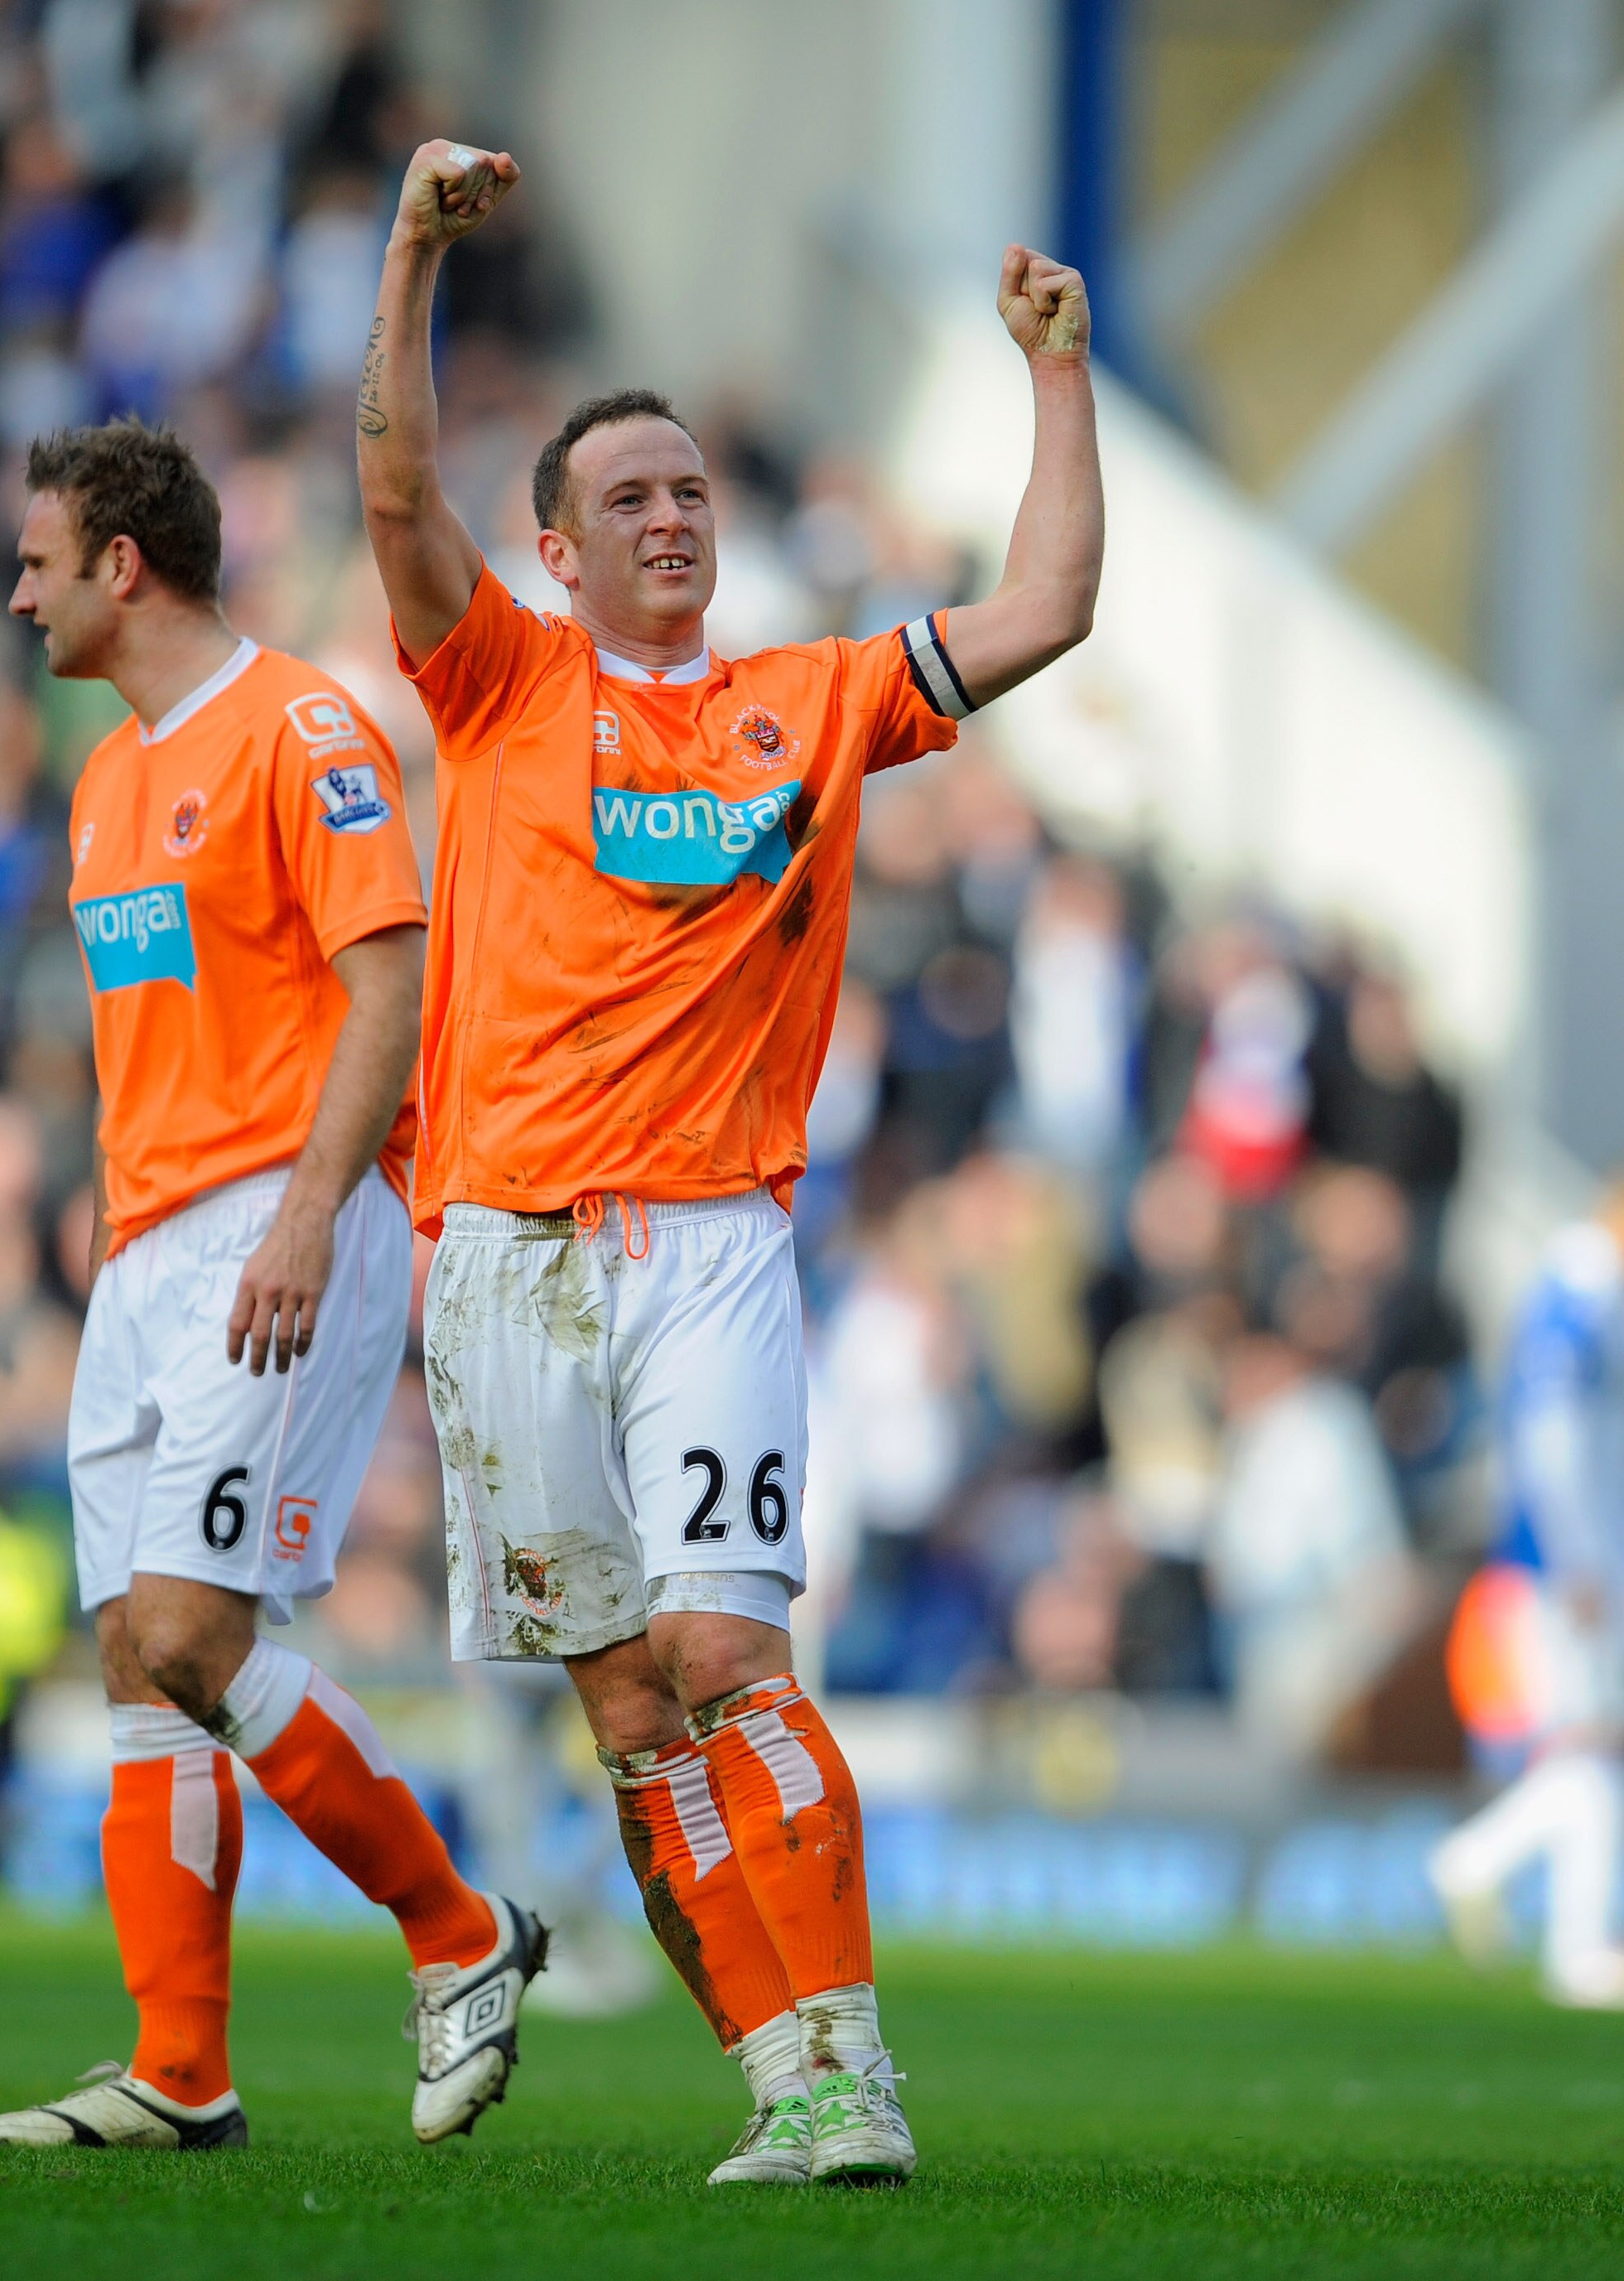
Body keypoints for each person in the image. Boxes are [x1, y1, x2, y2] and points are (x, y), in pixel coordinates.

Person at [357, 141, 1102, 2185]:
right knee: (619, 1711)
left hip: (708, 1245)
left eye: (690, 489)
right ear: (559, 551)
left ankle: (855, 2070)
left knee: (722, 1656)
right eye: (628, 499)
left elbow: (1045, 605)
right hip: (500, 1256)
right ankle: (778, 2076)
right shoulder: (498, 679)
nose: (672, 517)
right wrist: (414, 249)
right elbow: (396, 496)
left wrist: (1056, 376)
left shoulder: (812, 701)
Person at [0, 419, 546, 2155]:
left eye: (38, 560)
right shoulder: (102, 781)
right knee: (135, 1667)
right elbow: (138, 1040)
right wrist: (105, 1233)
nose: (19, 594)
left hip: (279, 1224)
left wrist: (307, 1213)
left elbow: (388, 981)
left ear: (121, 566)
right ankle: (180, 2072)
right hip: (149, 1250)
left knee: (196, 1631)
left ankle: (460, 1935)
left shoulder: (301, 729)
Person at [1431, 1189, 1624, 2007]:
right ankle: (1576, 1953)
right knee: (1584, 1749)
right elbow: (1545, 1441)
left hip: (1576, 1564)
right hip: (1561, 1571)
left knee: (1594, 1748)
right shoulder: (1573, 1303)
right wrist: (1575, 1557)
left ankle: (1474, 1864)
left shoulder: (1585, 1300)